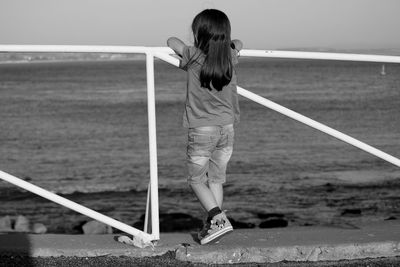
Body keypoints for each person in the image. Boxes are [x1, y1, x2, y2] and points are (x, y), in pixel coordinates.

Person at [167, 9, 243, 245]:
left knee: (196, 180)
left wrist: (192, 46)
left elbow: (171, 41)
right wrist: (231, 44)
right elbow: (239, 42)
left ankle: (218, 219)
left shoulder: (193, 56)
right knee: (216, 179)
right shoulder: (229, 56)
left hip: (202, 130)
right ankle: (214, 227)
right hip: (227, 128)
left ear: (199, 33)